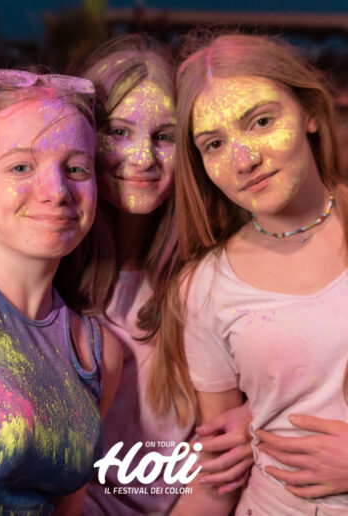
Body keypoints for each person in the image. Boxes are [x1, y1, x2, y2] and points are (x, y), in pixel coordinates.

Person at [159, 32, 348, 515]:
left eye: (262, 121)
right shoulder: (204, 288)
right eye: (214, 144)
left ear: (309, 113)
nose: (244, 160)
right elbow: (219, 476)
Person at [80, 35, 253, 515]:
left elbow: (219, 468)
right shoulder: (45, 273)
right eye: (118, 132)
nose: (142, 159)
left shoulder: (212, 274)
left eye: (163, 137)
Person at [0, 69, 122, 515]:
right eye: (21, 167)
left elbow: (68, 506)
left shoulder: (98, 353)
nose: (57, 191)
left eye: (76, 169)